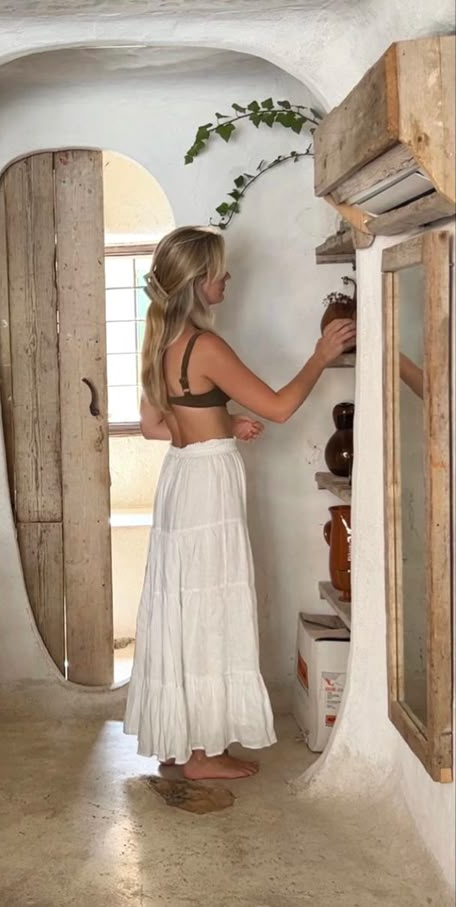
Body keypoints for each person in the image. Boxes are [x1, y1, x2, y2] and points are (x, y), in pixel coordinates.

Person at [123, 225, 357, 780]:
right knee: (211, 604)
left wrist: (223, 421)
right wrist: (321, 355)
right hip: (208, 484)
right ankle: (203, 755)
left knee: (182, 601)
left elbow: (154, 427)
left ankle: (181, 741)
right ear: (200, 281)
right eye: (220, 271)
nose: (227, 278)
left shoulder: (161, 342)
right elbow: (279, 408)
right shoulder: (206, 346)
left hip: (180, 479)